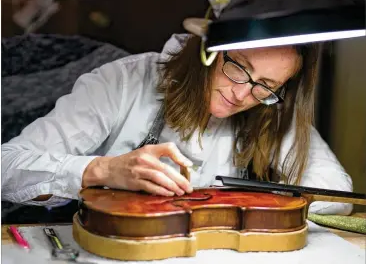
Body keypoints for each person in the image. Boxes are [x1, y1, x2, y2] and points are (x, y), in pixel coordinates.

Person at [1, 33, 353, 215]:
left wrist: (252, 212)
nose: (244, 93)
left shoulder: (268, 106)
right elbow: (7, 166)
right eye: (240, 67)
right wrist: (102, 170)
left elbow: (335, 192)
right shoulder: (123, 80)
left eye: (266, 86)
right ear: (209, 51)